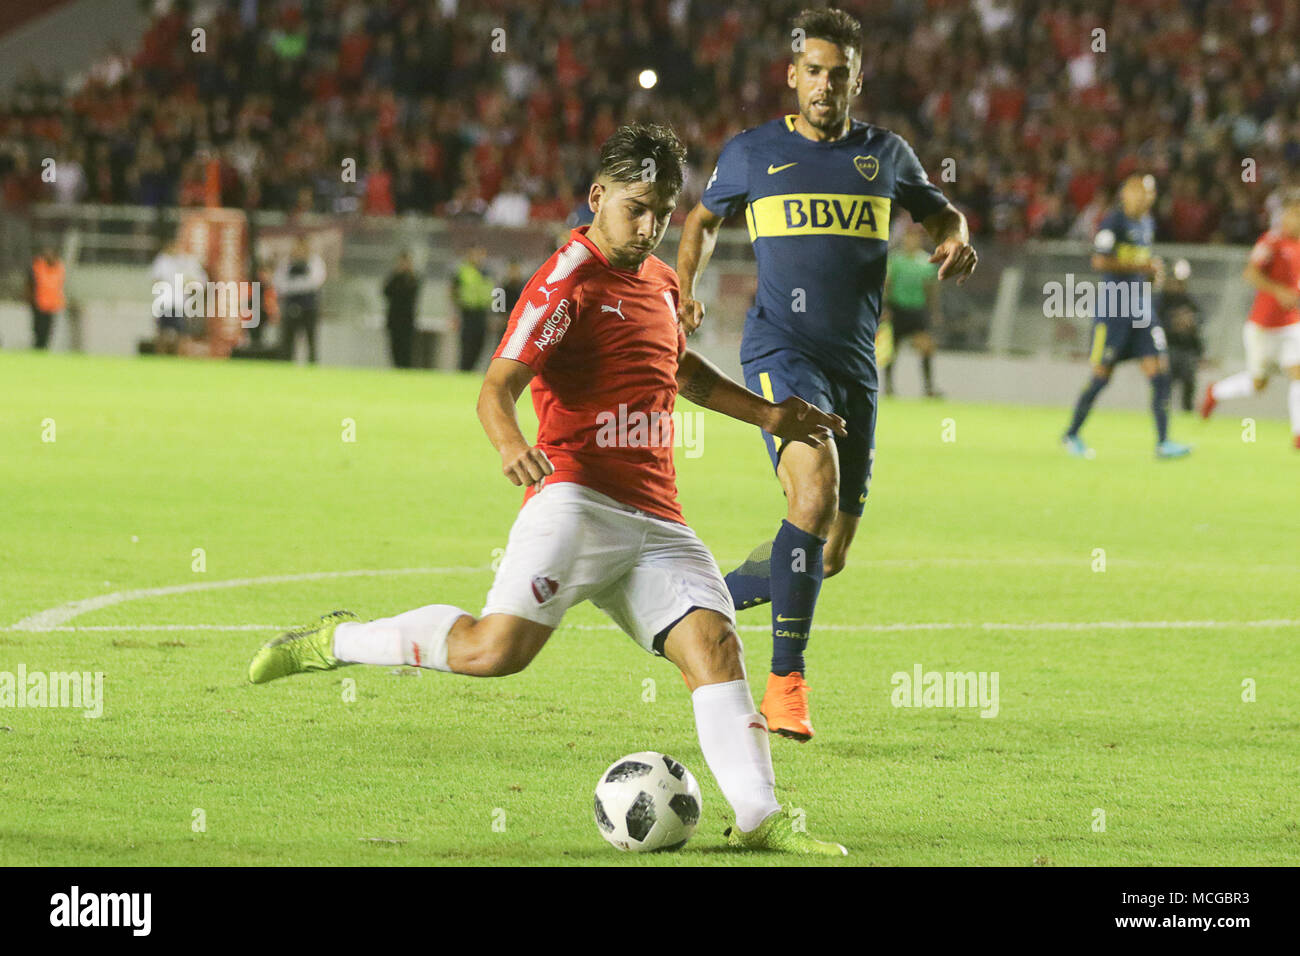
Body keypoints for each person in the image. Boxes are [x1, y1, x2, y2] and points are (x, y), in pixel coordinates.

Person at [248, 123, 849, 855]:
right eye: (637, 207)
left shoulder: (659, 281)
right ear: (598, 197)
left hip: (657, 517)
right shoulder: (569, 276)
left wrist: (769, 414)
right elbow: (497, 386)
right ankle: (336, 639)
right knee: (493, 652)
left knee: (716, 645)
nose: (652, 225)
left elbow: (680, 371)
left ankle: (759, 817)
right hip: (575, 499)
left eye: (663, 209)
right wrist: (511, 445)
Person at [674, 8, 977, 740]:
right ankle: (784, 687)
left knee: (827, 553)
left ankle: (698, 595)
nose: (825, 84)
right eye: (814, 71)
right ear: (793, 74)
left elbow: (942, 216)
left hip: (856, 369)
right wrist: (683, 286)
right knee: (812, 490)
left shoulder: (887, 155)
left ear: (857, 80)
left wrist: (955, 237)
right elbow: (701, 223)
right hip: (782, 353)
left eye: (839, 74)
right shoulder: (753, 152)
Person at [1062, 174, 1192, 459]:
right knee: (1101, 376)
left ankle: (1164, 442)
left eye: (1150, 193)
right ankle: (1071, 434)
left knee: (1159, 372)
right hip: (1114, 311)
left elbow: (1138, 268)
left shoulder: (1147, 223)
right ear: (1126, 194)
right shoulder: (1113, 222)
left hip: (1141, 310)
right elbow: (1099, 260)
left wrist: (1148, 275)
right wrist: (1143, 265)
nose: (1145, 197)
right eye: (1139, 192)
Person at [1200, 192, 1300, 448]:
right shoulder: (1271, 242)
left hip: (1291, 323)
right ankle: (1215, 392)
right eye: (1294, 214)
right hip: (1263, 325)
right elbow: (1250, 273)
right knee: (1258, 384)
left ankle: (1298, 434)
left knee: (1298, 373)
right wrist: (1278, 291)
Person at [881, 223, 943, 397]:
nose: (911, 240)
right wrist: (885, 307)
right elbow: (887, 285)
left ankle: (929, 387)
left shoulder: (926, 262)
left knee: (926, 348)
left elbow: (931, 290)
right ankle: (889, 387)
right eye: (908, 236)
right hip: (897, 309)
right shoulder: (895, 260)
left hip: (917, 310)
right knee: (892, 350)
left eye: (915, 237)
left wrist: (934, 312)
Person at [1157, 260, 1203, 412]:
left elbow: (1199, 320)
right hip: (1168, 346)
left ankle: (1187, 411)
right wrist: (1174, 323)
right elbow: (1156, 322)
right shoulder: (1162, 300)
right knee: (1166, 382)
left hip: (1186, 348)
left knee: (1189, 383)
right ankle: (1162, 411)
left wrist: (1190, 323)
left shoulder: (1189, 300)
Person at [149, 236, 207, 355]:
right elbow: (155, 279)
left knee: (181, 334)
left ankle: (178, 358)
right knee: (162, 333)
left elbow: (201, 281)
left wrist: (191, 284)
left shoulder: (188, 262)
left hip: (180, 303)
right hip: (164, 302)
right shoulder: (163, 260)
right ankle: (160, 358)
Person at [275, 237, 327, 363]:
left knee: (311, 341)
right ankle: (286, 365)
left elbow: (315, 282)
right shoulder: (286, 262)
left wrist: (294, 285)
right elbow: (279, 283)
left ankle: (312, 365)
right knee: (287, 341)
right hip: (290, 306)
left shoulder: (314, 262)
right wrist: (299, 285)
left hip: (309, 307)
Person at [453, 245, 493, 371]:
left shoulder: (487, 273)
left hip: (482, 313)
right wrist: (455, 314)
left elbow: (497, 293)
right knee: (467, 347)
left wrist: (495, 313)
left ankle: (470, 371)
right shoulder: (463, 271)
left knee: (480, 346)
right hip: (467, 313)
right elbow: (453, 292)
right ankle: (464, 371)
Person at [382, 251, 421, 368]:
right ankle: (396, 367)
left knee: (406, 348)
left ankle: (406, 368)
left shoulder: (413, 279)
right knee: (395, 348)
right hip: (394, 319)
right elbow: (386, 291)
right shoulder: (394, 277)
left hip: (407, 320)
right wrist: (396, 275)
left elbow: (412, 294)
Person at [28, 245, 66, 350]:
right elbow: (31, 283)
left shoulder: (59, 267)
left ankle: (44, 348)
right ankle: (38, 348)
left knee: (48, 331)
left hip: (53, 304)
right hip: (39, 303)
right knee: (38, 329)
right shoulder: (38, 266)